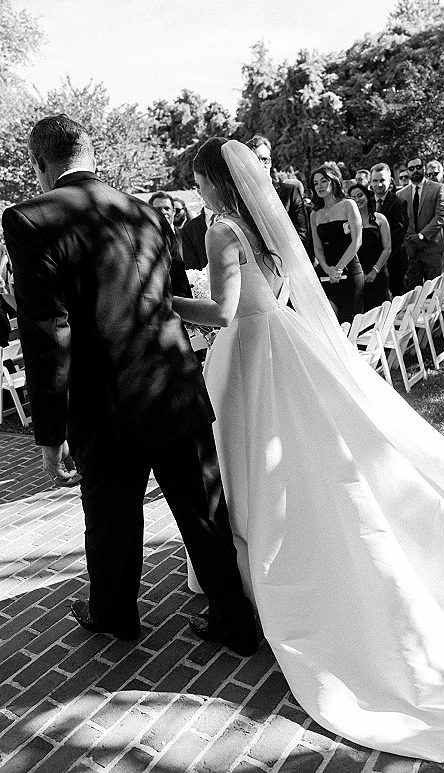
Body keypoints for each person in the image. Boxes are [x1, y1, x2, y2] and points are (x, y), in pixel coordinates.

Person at [175, 137, 444, 768]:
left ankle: (276, 565)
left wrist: (161, 302)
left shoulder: (222, 230)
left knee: (263, 463)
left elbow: (224, 311)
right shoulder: (265, 228)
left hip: (254, 356)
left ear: (212, 182)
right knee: (308, 459)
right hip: (287, 344)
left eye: (197, 181)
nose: (196, 191)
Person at [1, 115, 258, 655]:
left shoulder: (27, 219)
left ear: (38, 163)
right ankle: (234, 621)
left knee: (111, 517)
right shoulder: (146, 210)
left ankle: (115, 615)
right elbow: (172, 295)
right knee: (205, 510)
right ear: (90, 150)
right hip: (172, 384)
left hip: (105, 404)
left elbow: (46, 331)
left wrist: (49, 434)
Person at [308, 164, 363, 324]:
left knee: (348, 324)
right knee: (324, 322)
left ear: (334, 181)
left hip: (349, 271)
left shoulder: (348, 205)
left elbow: (357, 241)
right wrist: (327, 269)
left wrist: (338, 269)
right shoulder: (314, 214)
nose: (319, 186)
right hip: (325, 273)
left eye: (323, 181)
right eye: (315, 183)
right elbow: (318, 248)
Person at [245, 135, 309, 248]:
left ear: (270, 162)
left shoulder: (289, 192)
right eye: (255, 160)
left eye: (265, 159)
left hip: (289, 259)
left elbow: (302, 235)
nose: (261, 165)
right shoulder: (243, 197)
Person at [397, 155, 444, 287]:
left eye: (418, 167)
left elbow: (440, 216)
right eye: (411, 168)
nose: (415, 171)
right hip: (412, 249)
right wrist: (410, 238)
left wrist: (422, 236)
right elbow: (401, 221)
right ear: (407, 171)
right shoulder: (400, 195)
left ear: (424, 169)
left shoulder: (438, 188)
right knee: (414, 292)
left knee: (435, 289)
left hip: (432, 247)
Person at [348, 183, 391, 310]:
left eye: (360, 195)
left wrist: (374, 271)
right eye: (353, 197)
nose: (357, 199)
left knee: (381, 311)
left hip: (378, 273)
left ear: (367, 197)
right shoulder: (348, 222)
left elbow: (387, 248)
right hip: (357, 275)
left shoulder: (380, 219)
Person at [370, 163, 408, 296]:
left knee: (399, 298)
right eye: (375, 180)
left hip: (394, 261)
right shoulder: (367, 202)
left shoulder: (399, 203)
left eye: (382, 180)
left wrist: (383, 257)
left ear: (390, 181)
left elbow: (398, 235)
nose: (378, 184)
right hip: (371, 261)